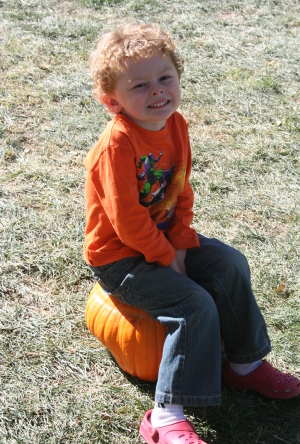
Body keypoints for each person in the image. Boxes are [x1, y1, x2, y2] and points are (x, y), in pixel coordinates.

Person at [83, 23, 300, 444]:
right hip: (120, 257)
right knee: (194, 303)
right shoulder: (117, 146)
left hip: (163, 239)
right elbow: (127, 223)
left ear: (178, 77)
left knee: (231, 263)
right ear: (113, 101)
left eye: (165, 77)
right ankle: (165, 416)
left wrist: (181, 242)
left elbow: (180, 191)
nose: (157, 90)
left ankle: (244, 366)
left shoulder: (175, 125)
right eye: (140, 85)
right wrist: (168, 258)